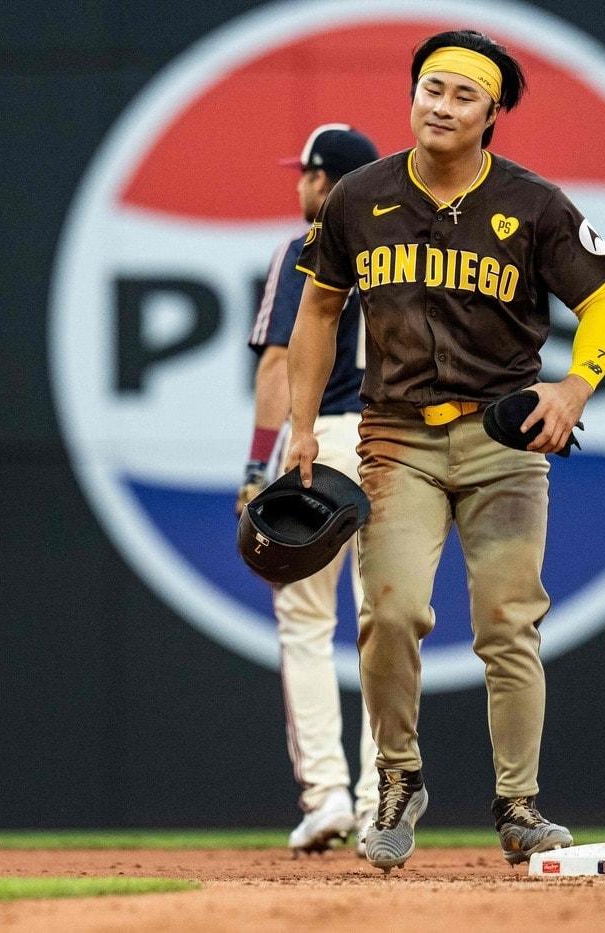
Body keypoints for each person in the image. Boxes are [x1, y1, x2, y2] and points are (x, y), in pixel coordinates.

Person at [286, 31, 605, 871]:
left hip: (502, 437)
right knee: (391, 613)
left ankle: (519, 804)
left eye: (462, 95)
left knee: (509, 623)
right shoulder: (358, 198)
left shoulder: (535, 204)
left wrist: (573, 389)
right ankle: (397, 780)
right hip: (397, 434)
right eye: (430, 88)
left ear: (492, 115)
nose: (441, 106)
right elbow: (319, 314)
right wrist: (299, 427)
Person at [239, 124, 381, 856]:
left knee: (305, 623)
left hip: (315, 443)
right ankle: (381, 798)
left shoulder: (301, 252)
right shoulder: (402, 256)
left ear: (326, 183)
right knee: (384, 626)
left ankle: (326, 795)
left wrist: (256, 467)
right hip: (393, 447)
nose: (299, 184)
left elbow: (277, 367)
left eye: (307, 173)